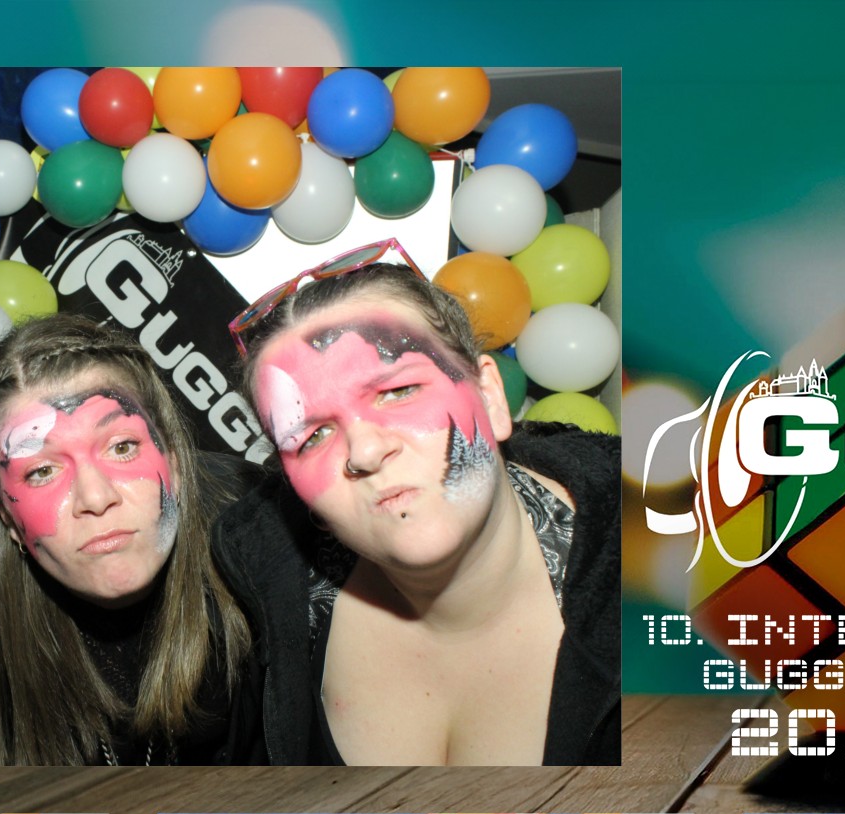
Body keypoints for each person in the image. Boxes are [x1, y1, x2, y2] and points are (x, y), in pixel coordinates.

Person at [222, 240, 620, 765]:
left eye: (399, 391)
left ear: (491, 398)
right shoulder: (263, 591)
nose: (365, 451)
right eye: (312, 436)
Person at [0, 314, 251, 765]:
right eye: (42, 471)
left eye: (122, 447)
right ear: (5, 515)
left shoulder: (252, 534)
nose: (95, 498)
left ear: (174, 461)